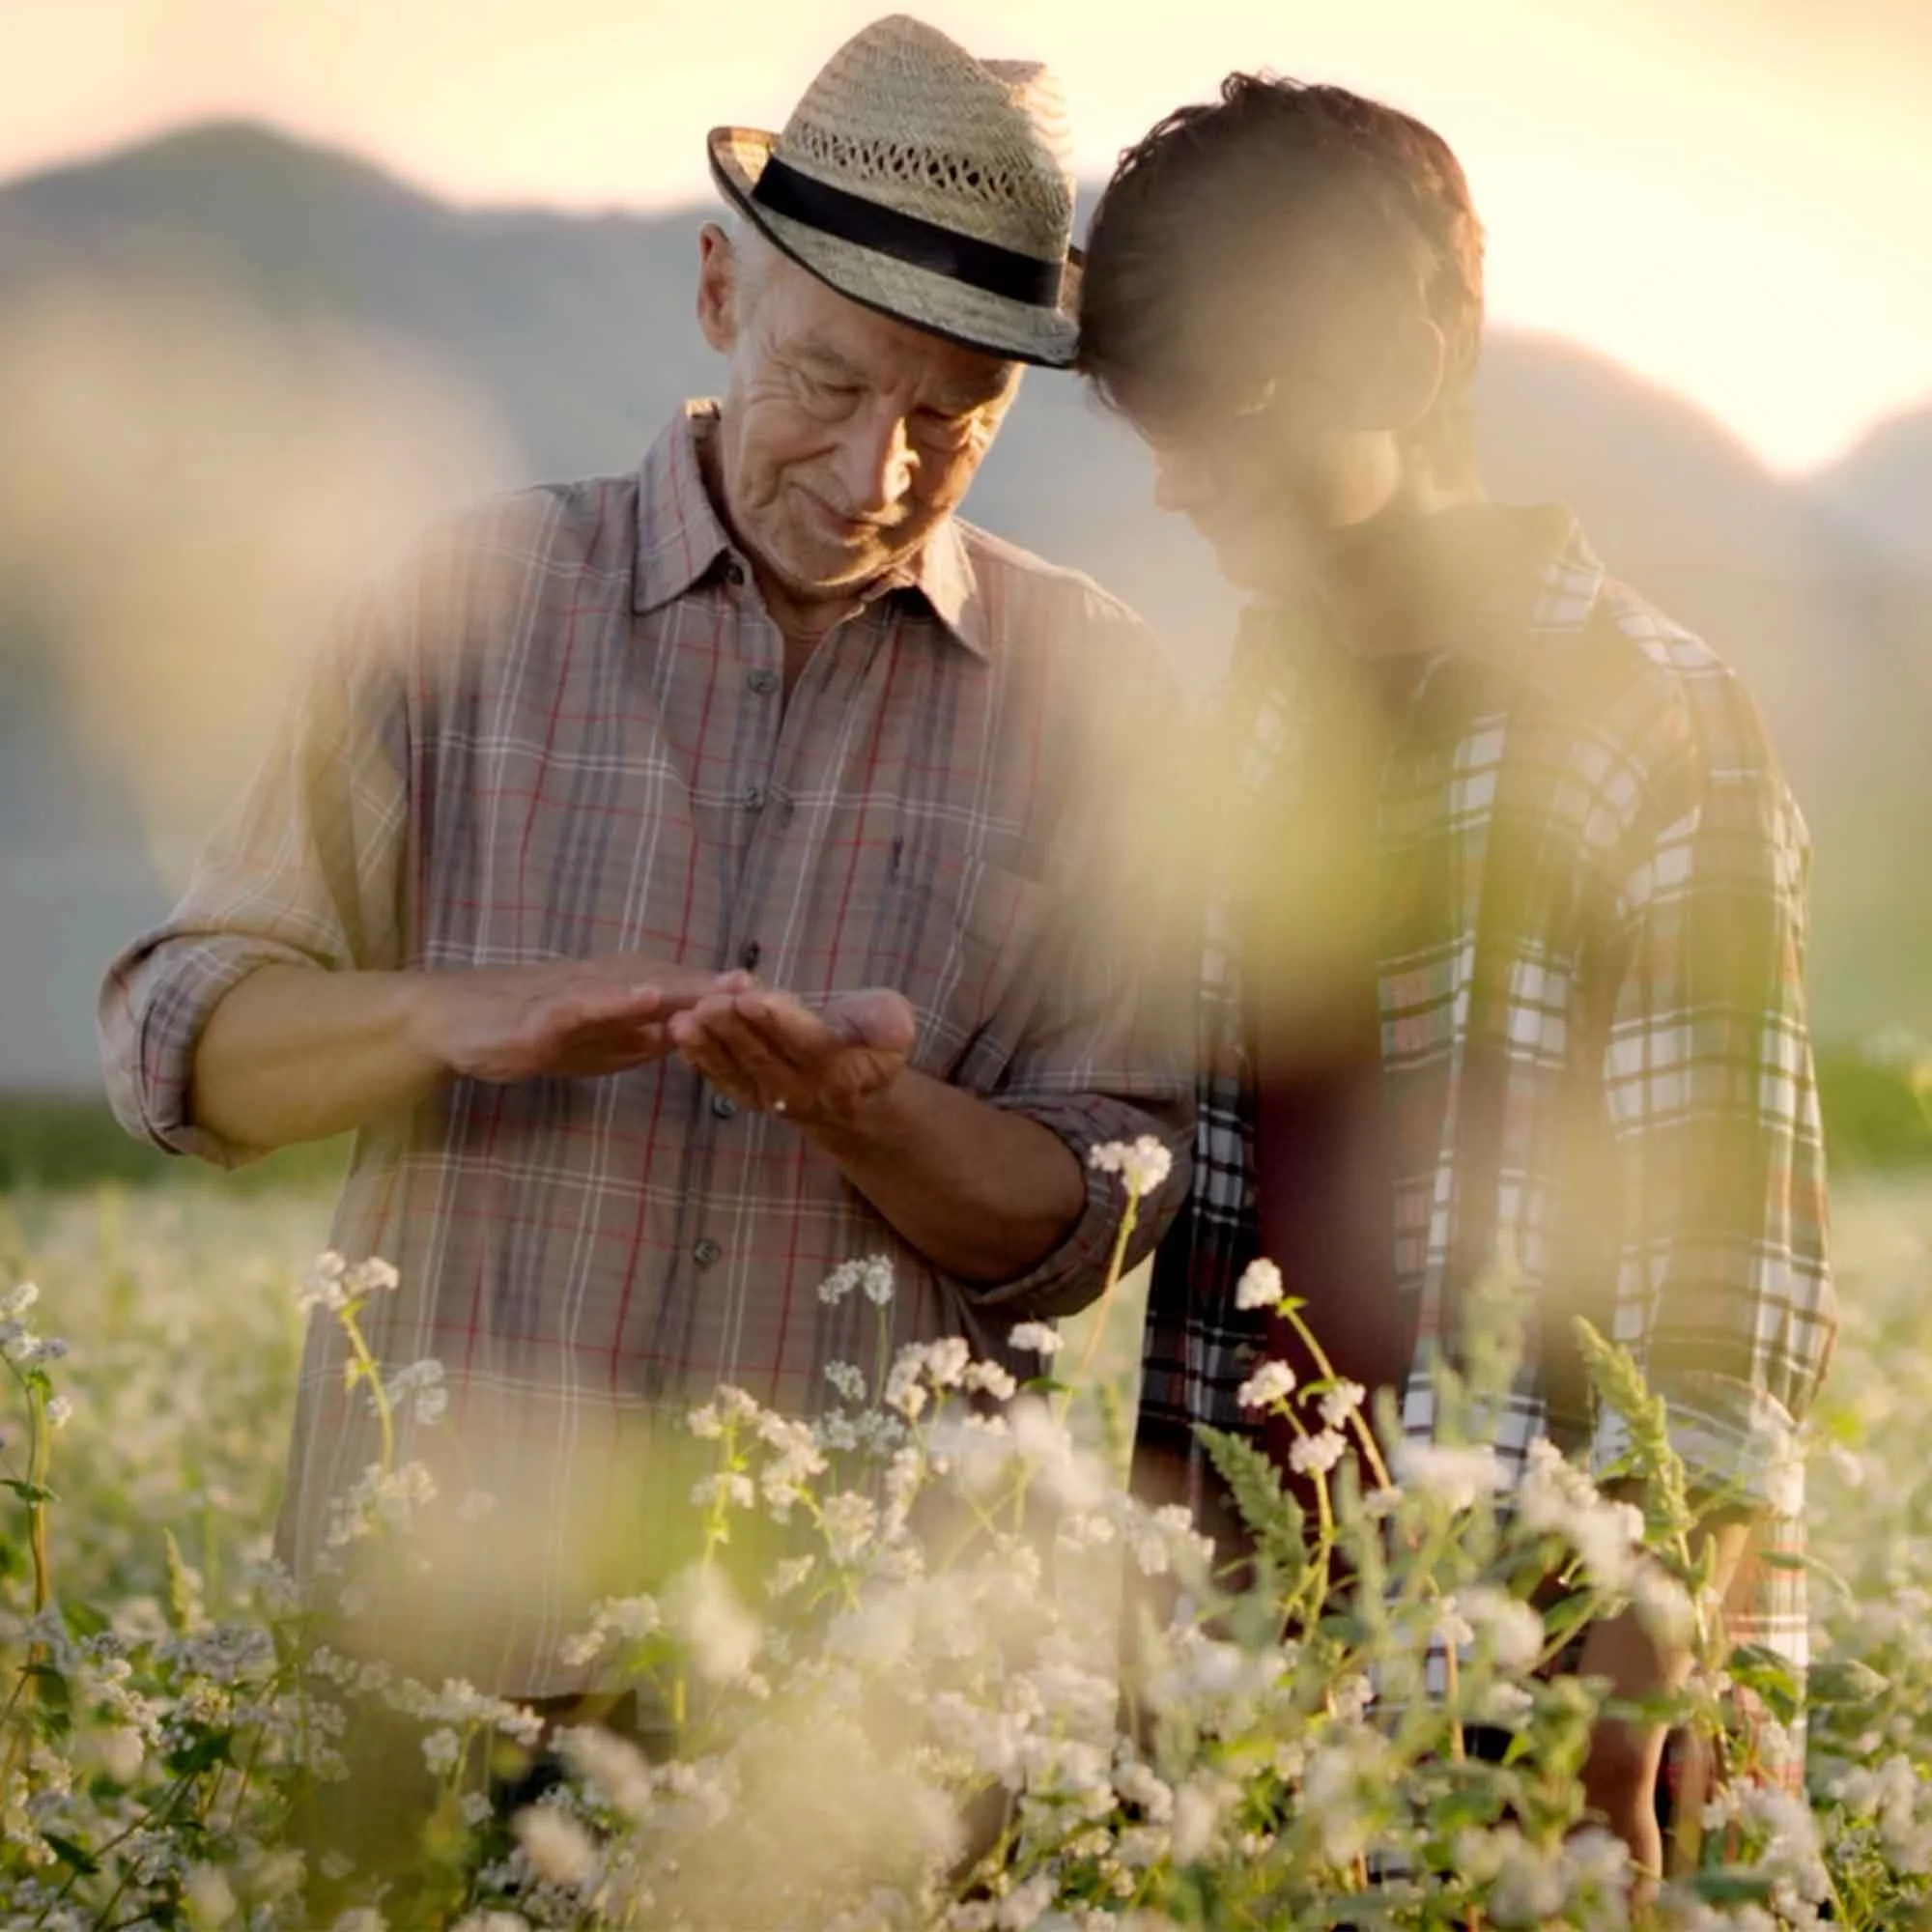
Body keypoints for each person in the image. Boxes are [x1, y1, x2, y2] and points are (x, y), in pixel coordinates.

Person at [99, 13, 1189, 1703]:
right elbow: (180, 1047)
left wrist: (866, 1111)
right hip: (436, 1678)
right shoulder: (458, 599)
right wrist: (461, 1016)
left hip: (851, 1720)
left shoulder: (1098, 701)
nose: (872, 470)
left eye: (952, 418)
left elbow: (1106, 1212)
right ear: (715, 292)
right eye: (828, 382)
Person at [1077, 74, 1835, 1871]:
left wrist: (1626, 1714)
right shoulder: (1253, 718)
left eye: (1225, 404)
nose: (1178, 476)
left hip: (1558, 1694)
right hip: (1271, 1685)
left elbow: (1736, 1288)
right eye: (1151, 421)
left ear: (1408, 361)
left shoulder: (1651, 715)